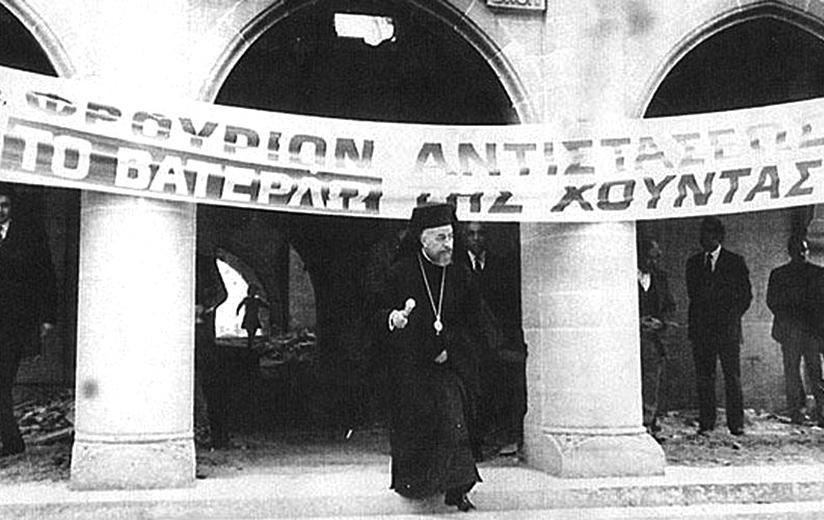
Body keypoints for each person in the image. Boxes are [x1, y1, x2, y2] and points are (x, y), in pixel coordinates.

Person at [377, 203, 482, 512]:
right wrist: (393, 318)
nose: (448, 244)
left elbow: (476, 323)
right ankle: (419, 484)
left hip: (450, 364)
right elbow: (377, 311)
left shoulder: (461, 274)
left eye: (450, 237)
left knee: (454, 417)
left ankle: (457, 488)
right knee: (419, 424)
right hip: (411, 367)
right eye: (440, 238)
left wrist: (451, 347)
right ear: (422, 239)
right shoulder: (401, 273)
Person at [0, 184, 57, 457]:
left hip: (13, 323)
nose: (0, 210)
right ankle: (11, 441)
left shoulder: (28, 236)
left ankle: (12, 442)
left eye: (4, 205)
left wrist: (47, 318)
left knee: (2, 381)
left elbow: (46, 277)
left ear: (12, 207)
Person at [461, 221, 526, 458]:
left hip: (495, 340)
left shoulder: (499, 265)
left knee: (497, 390)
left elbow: (507, 303)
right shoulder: (458, 266)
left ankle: (499, 435)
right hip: (469, 341)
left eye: (480, 233)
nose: (476, 239)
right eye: (471, 234)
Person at [685, 216, 752, 435]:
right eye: (701, 234)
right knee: (705, 378)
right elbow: (694, 296)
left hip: (727, 331)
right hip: (702, 331)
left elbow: (745, 296)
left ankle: (736, 424)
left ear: (718, 236)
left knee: (732, 377)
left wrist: (729, 318)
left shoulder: (735, 262)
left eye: (707, 234)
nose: (702, 239)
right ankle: (707, 423)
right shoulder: (693, 263)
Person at [766, 235, 824, 426]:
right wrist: (790, 318)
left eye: (803, 250)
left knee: (815, 373)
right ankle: (796, 413)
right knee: (792, 373)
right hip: (790, 331)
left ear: (807, 251)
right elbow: (772, 301)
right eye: (797, 250)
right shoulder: (779, 275)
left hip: (812, 332)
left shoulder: (818, 273)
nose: (800, 253)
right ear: (790, 252)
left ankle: (822, 412)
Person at [637, 237, 675, 437]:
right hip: (629, 339)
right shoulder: (621, 276)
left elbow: (669, 305)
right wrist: (636, 321)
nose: (653, 262)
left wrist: (661, 322)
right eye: (649, 258)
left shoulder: (660, 277)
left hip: (653, 339)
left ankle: (649, 422)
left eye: (656, 258)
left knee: (652, 381)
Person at [195, 248, 230, 449]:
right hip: (174, 336)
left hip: (202, 334)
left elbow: (221, 293)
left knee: (207, 381)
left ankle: (213, 435)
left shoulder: (205, 261)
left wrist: (203, 307)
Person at [236, 284, 269, 349]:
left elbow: (265, 305)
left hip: (254, 317)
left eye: (254, 291)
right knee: (249, 330)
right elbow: (240, 305)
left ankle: (251, 342)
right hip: (248, 317)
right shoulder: (247, 299)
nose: (253, 292)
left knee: (253, 330)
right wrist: (237, 311)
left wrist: (269, 306)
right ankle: (250, 342)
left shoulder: (257, 300)